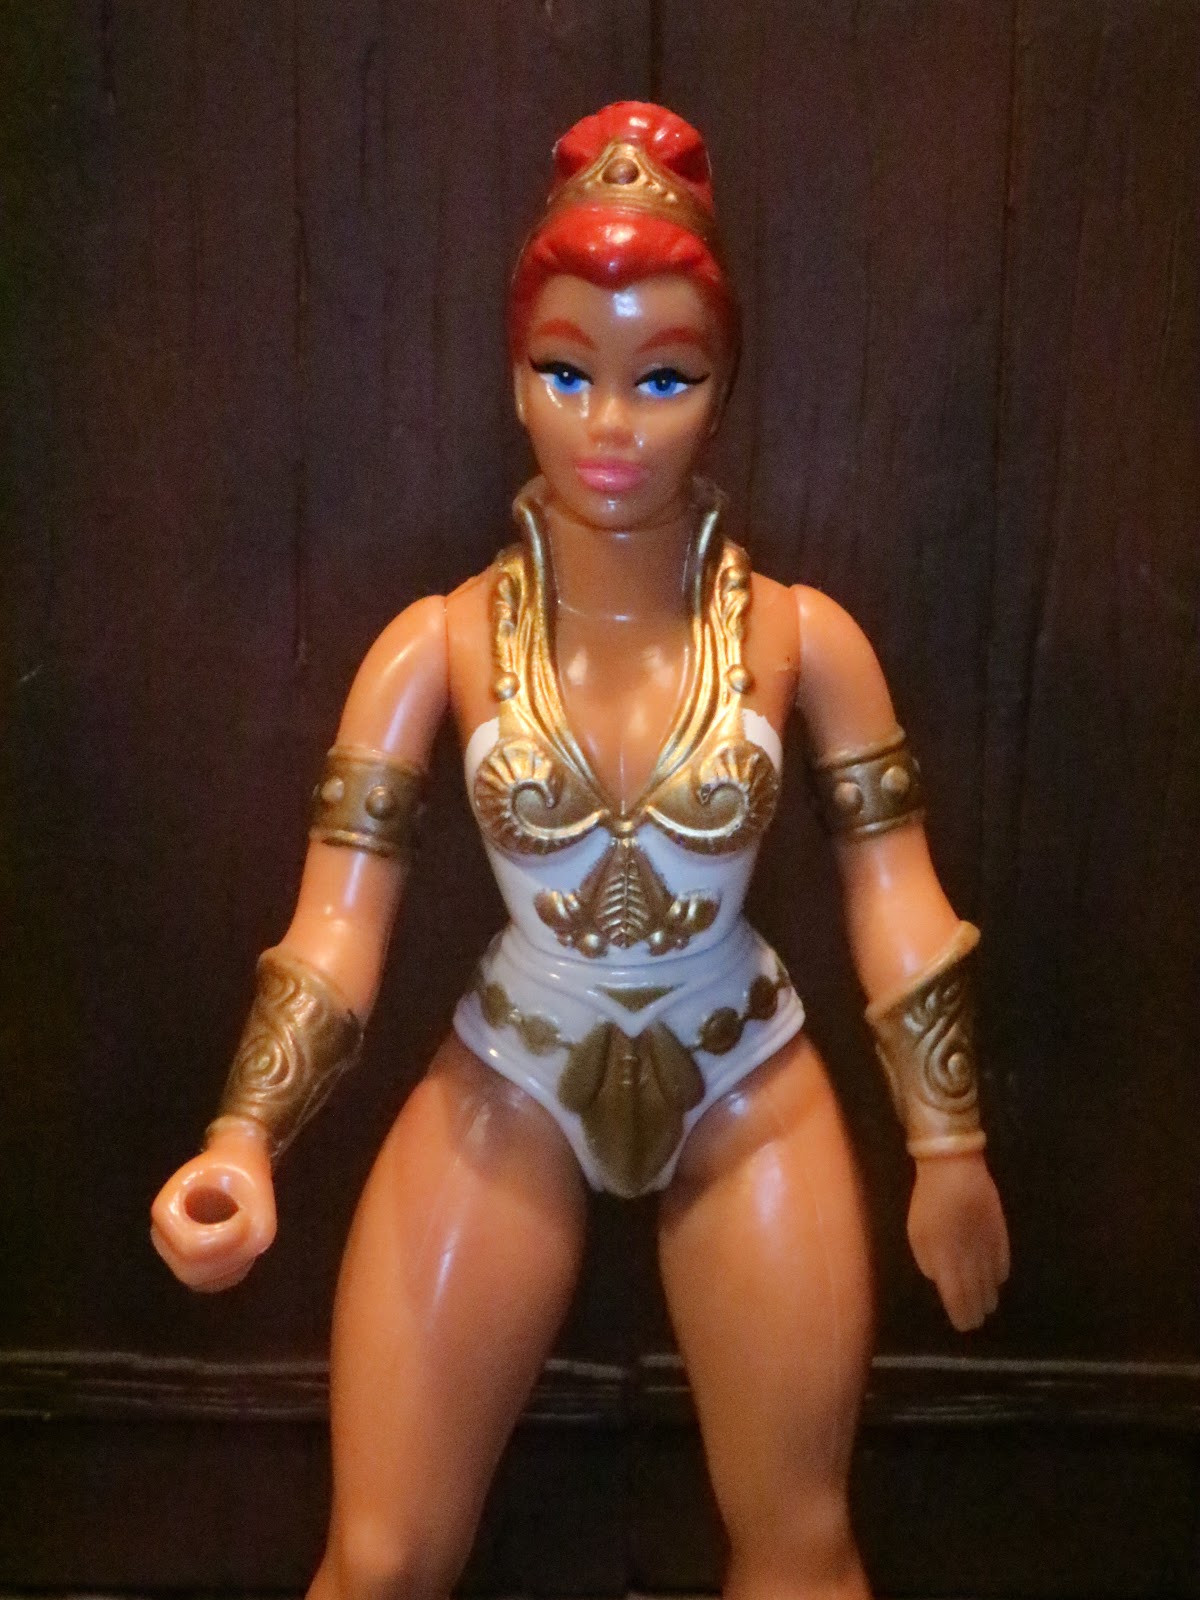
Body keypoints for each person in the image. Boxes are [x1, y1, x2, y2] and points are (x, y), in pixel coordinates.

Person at [151, 102, 1010, 1600]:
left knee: (803, 1551)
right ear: (513, 377)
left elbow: (898, 901)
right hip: (520, 1059)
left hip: (744, 1068)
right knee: (382, 1555)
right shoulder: (433, 647)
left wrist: (950, 1149)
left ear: (721, 389)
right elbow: (334, 931)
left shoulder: (805, 641)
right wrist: (243, 1139)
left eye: (663, 376)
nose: (611, 424)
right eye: (567, 371)